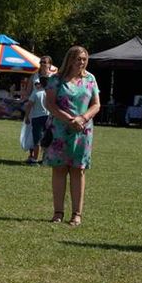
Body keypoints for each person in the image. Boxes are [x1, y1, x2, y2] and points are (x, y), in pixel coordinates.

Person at [43, 46, 99, 227]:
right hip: (59, 130)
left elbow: (96, 104)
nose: (81, 62)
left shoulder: (90, 79)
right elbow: (50, 104)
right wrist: (69, 119)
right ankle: (58, 212)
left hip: (82, 131)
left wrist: (82, 118)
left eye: (84, 59)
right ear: (70, 60)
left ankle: (77, 214)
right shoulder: (56, 80)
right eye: (78, 59)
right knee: (59, 169)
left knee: (78, 169)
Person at [24, 77, 49, 165]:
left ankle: (35, 159)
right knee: (46, 139)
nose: (36, 85)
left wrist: (27, 116)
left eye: (37, 84)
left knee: (37, 139)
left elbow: (29, 105)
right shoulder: (49, 92)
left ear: (41, 84)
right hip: (48, 117)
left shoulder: (36, 93)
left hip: (37, 117)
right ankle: (45, 159)